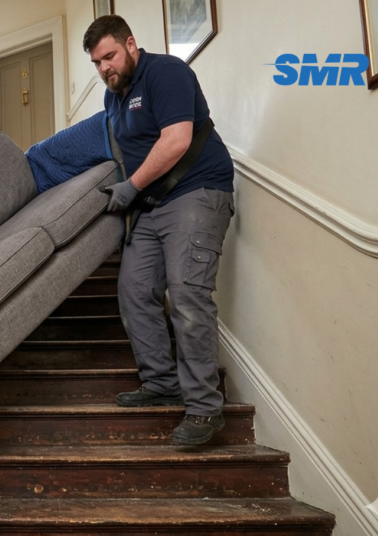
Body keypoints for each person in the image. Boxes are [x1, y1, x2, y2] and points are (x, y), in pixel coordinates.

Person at [84, 15, 235, 445]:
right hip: (151, 204)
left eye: (109, 56)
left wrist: (129, 188)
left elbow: (176, 140)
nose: (104, 68)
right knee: (133, 290)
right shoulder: (113, 98)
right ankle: (161, 382)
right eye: (97, 62)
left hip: (196, 191)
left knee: (187, 294)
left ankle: (205, 409)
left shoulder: (166, 72)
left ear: (131, 44)